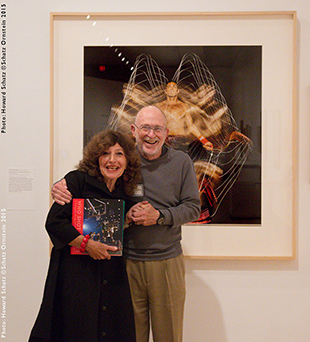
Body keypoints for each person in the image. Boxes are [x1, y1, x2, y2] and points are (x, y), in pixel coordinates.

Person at [52, 106, 201, 342]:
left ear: (166, 132)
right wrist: (61, 185)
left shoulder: (181, 162)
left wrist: (160, 216)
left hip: (166, 261)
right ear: (134, 130)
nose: (150, 134)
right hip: (125, 263)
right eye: (145, 128)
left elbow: (193, 208)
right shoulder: (123, 162)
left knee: (169, 335)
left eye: (157, 128)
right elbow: (91, 181)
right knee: (127, 335)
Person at [29, 130, 140, 342]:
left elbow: (116, 227)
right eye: (105, 153)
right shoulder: (76, 181)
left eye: (119, 154)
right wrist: (86, 244)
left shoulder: (123, 190)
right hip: (76, 272)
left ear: (127, 161)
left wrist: (130, 217)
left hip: (110, 270)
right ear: (95, 158)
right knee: (77, 328)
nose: (112, 160)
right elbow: (54, 222)